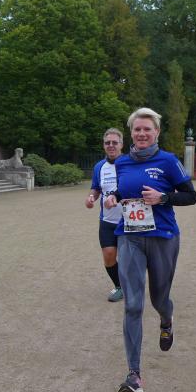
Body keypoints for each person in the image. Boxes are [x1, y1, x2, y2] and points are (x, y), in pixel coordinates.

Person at [103, 108, 196, 392]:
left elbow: (191, 196)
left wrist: (163, 197)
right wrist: (113, 197)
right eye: (137, 129)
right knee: (133, 305)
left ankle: (166, 319)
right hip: (129, 237)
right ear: (131, 133)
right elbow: (123, 191)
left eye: (147, 129)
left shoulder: (168, 161)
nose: (142, 133)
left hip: (163, 237)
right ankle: (134, 374)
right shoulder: (122, 162)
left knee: (159, 299)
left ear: (156, 132)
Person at [85, 128, 125, 302]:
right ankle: (119, 286)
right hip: (107, 221)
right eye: (107, 142)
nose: (111, 145)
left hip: (128, 221)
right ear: (103, 145)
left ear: (121, 144)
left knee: (130, 259)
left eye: (115, 142)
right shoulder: (99, 167)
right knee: (109, 257)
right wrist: (91, 197)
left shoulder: (130, 163)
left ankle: (131, 285)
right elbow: (96, 188)